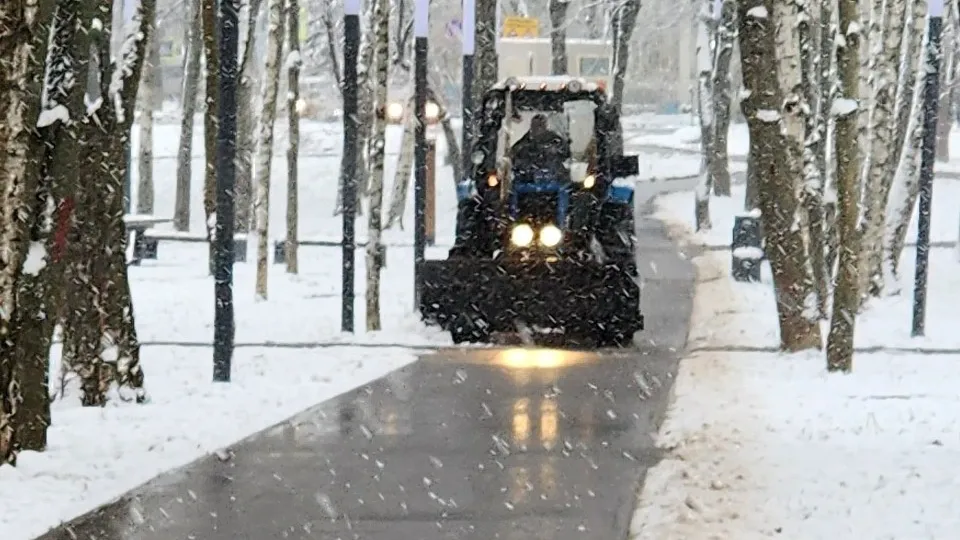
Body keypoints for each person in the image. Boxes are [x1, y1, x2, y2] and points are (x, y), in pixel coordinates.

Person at [509, 113, 570, 180]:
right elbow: (513, 155)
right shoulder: (525, 141)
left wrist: (556, 151)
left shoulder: (554, 138)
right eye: (534, 125)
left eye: (540, 125)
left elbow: (566, 154)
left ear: (545, 126)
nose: (538, 128)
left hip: (553, 177)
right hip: (529, 179)